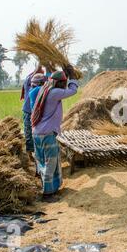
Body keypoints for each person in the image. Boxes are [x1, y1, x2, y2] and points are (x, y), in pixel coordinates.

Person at [31, 70, 79, 198]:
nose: (64, 85)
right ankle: (48, 193)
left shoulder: (44, 90)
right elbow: (73, 91)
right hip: (47, 133)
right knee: (50, 162)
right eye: (64, 83)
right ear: (60, 83)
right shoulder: (54, 92)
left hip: (37, 132)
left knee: (42, 161)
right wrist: (73, 78)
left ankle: (49, 188)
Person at [21, 64, 44, 160]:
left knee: (39, 133)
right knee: (28, 133)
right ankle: (30, 155)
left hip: (38, 112)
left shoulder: (42, 85)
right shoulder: (29, 81)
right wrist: (41, 63)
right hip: (28, 112)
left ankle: (39, 153)